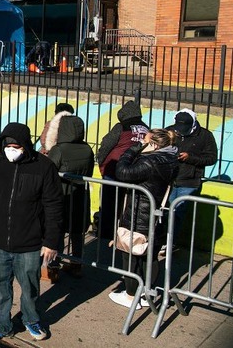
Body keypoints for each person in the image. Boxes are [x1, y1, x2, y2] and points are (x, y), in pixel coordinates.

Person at [0, 122, 63, 343]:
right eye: (7, 145)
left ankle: (31, 318)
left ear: (26, 146)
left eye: (16, 146)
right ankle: (1, 324)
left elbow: (53, 206)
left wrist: (51, 241)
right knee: (0, 286)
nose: (11, 149)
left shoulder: (44, 167)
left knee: (29, 286)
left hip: (29, 242)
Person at [110, 128, 179, 310]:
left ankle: (131, 295)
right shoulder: (172, 159)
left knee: (131, 254)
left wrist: (138, 146)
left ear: (154, 144)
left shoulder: (151, 161)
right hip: (155, 215)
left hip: (139, 213)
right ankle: (144, 290)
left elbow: (123, 171)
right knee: (149, 255)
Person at [45, 114, 95, 279]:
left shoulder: (58, 149)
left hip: (62, 195)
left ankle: (53, 266)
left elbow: (49, 171)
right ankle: (76, 264)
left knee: (58, 231)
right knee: (77, 232)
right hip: (81, 195)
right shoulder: (87, 148)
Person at [95, 100, 149, 239]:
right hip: (134, 171)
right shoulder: (146, 128)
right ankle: (122, 234)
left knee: (108, 204)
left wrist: (101, 161)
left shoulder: (121, 127)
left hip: (113, 169)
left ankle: (106, 233)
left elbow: (107, 144)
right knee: (127, 206)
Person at [165, 109, 218, 249]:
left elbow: (211, 158)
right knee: (165, 211)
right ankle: (164, 240)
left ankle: (171, 243)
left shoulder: (205, 136)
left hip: (189, 181)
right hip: (169, 178)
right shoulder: (170, 131)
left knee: (178, 213)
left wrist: (191, 158)